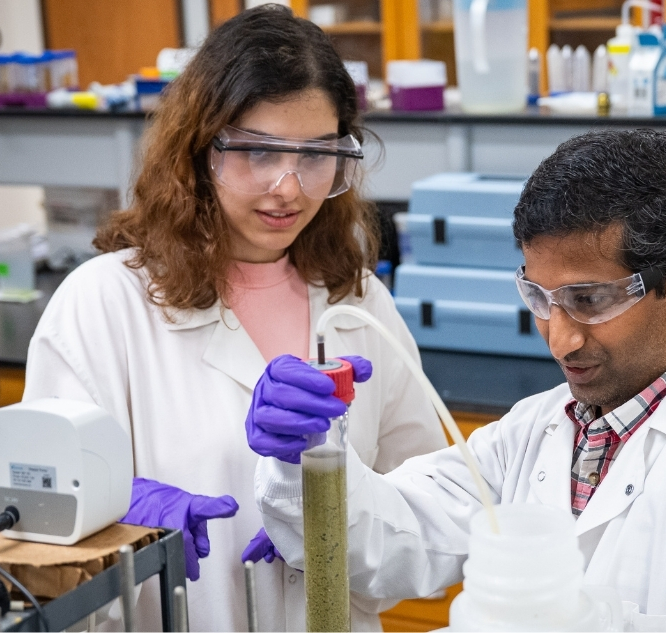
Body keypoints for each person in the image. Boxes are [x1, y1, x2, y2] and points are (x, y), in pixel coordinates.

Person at [250, 129, 666, 631]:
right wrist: (304, 455)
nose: (560, 338)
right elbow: (389, 538)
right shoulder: (536, 431)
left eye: (589, 299)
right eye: (540, 296)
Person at [22, 6, 446, 631]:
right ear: (199, 151)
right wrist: (125, 521)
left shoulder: (358, 305)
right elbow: (38, 529)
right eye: (257, 152)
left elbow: (428, 510)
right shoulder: (103, 304)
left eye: (316, 154)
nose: (289, 187)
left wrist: (340, 528)